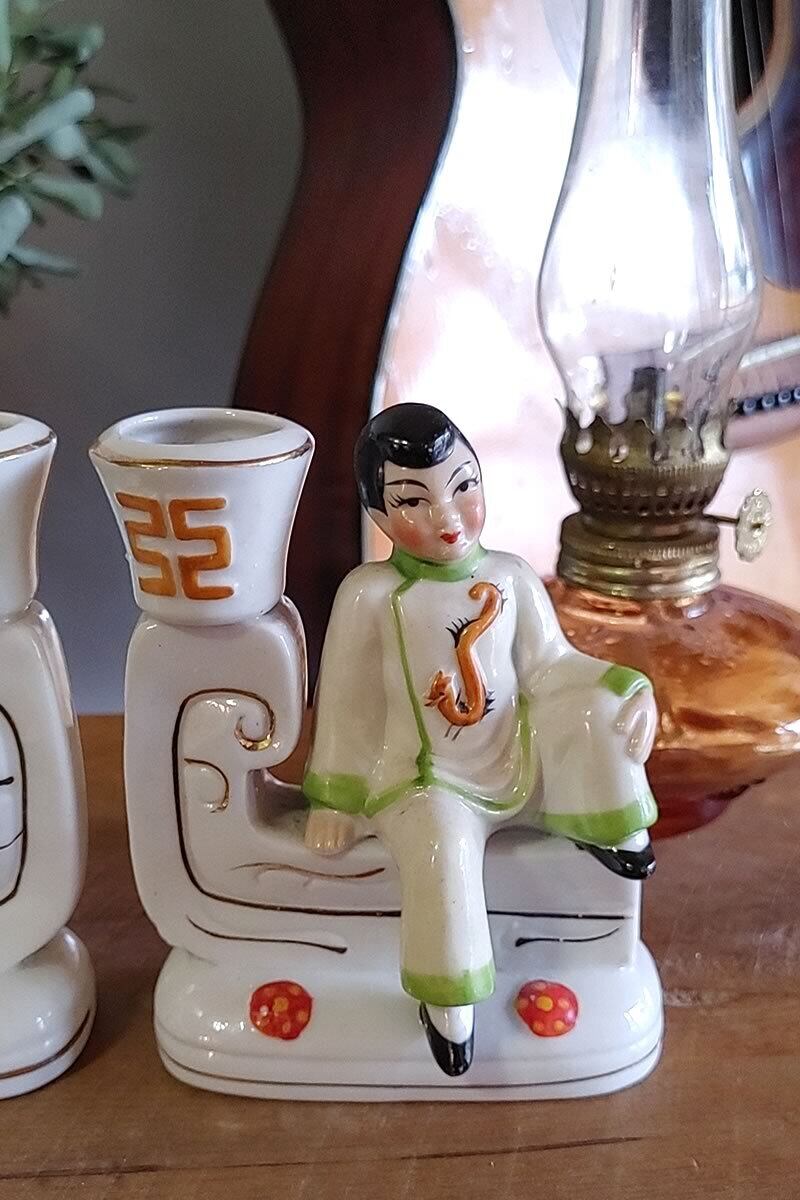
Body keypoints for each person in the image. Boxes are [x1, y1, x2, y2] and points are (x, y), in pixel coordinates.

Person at [303, 404, 658, 1076]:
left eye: (463, 485)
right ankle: (449, 1001)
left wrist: (627, 686)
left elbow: (550, 666)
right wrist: (336, 798)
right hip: (424, 777)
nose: (448, 515)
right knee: (441, 845)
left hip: (512, 753)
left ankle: (610, 828)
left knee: (595, 708)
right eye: (414, 500)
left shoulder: (511, 577)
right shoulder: (369, 595)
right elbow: (346, 705)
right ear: (378, 513)